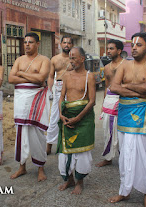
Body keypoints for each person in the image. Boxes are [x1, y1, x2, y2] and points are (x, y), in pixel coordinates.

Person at [109, 33, 146, 207]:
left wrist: (126, 86)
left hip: (145, 115)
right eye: (133, 45)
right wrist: (141, 92)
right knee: (125, 155)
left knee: (145, 156)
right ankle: (125, 191)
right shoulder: (124, 65)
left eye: (139, 45)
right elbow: (113, 87)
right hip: (125, 114)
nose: (134, 48)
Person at [8, 32, 51, 181]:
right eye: (25, 42)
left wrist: (20, 73)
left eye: (30, 42)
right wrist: (29, 77)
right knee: (21, 133)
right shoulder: (19, 60)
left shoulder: (44, 60)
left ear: (37, 44)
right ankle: (22, 167)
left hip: (37, 99)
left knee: (37, 134)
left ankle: (40, 168)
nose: (27, 45)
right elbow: (11, 78)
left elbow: (41, 78)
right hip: (21, 100)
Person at [57, 47, 96, 195]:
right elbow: (62, 97)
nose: (71, 61)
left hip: (83, 119)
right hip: (67, 117)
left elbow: (92, 101)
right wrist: (61, 114)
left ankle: (80, 182)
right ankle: (70, 179)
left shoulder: (89, 76)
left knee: (82, 152)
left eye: (74, 58)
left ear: (82, 59)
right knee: (64, 153)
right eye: (70, 58)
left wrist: (78, 118)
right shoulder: (66, 76)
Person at [96, 39, 126, 167]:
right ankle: (108, 158)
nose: (108, 51)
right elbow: (106, 86)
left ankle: (125, 158)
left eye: (111, 48)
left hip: (123, 100)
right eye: (107, 48)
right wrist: (103, 104)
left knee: (123, 132)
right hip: (109, 100)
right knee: (107, 130)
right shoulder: (106, 67)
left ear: (119, 51)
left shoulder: (127, 65)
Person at [46, 35, 74, 155]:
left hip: (71, 91)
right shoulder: (54, 59)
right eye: (64, 43)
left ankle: (68, 143)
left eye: (69, 43)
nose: (66, 45)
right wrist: (49, 91)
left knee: (70, 116)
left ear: (72, 45)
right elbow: (51, 76)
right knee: (54, 118)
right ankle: (49, 145)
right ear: (61, 44)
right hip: (57, 91)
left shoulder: (74, 59)